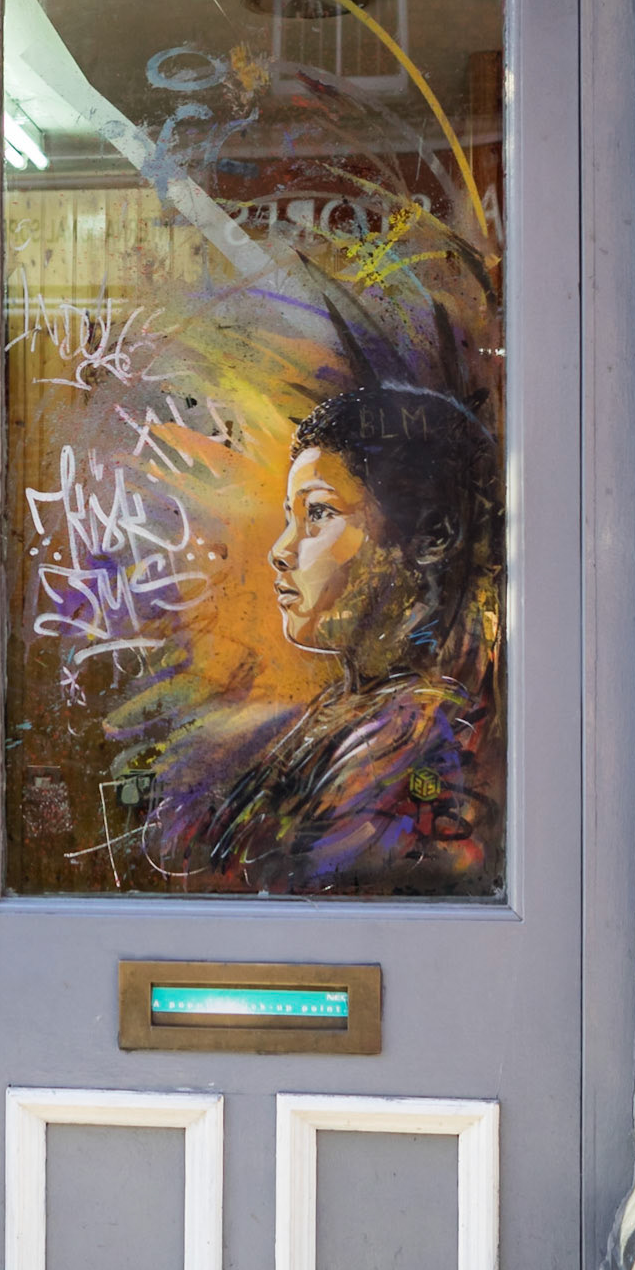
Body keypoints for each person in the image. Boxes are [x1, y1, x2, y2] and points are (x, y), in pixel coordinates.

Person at [155, 381, 503, 896]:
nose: (281, 549)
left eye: (318, 513)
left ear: (430, 536)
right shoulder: (353, 707)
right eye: (290, 516)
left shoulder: (414, 735)